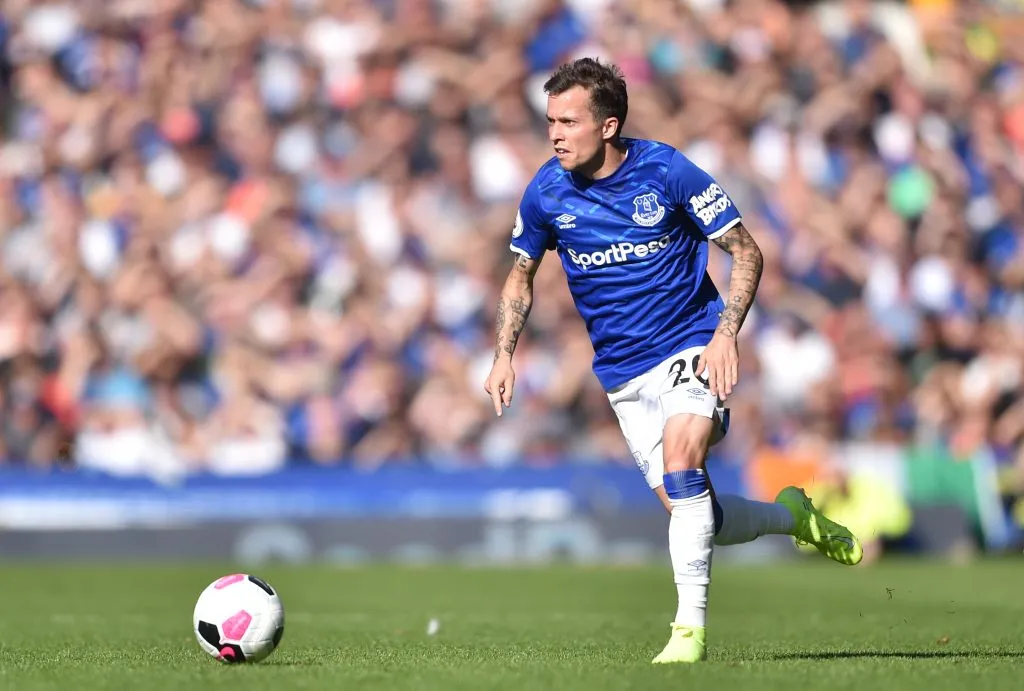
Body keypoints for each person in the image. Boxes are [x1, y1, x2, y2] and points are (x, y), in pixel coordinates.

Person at [484, 58, 863, 664]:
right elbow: (520, 276)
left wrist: (726, 334)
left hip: (692, 342)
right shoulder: (546, 192)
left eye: (568, 121)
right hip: (622, 374)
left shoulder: (666, 171)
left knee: (685, 461)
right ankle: (791, 516)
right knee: (698, 514)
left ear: (607, 127)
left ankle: (688, 632)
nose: (554, 134)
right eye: (550, 121)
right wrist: (504, 354)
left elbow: (746, 251)